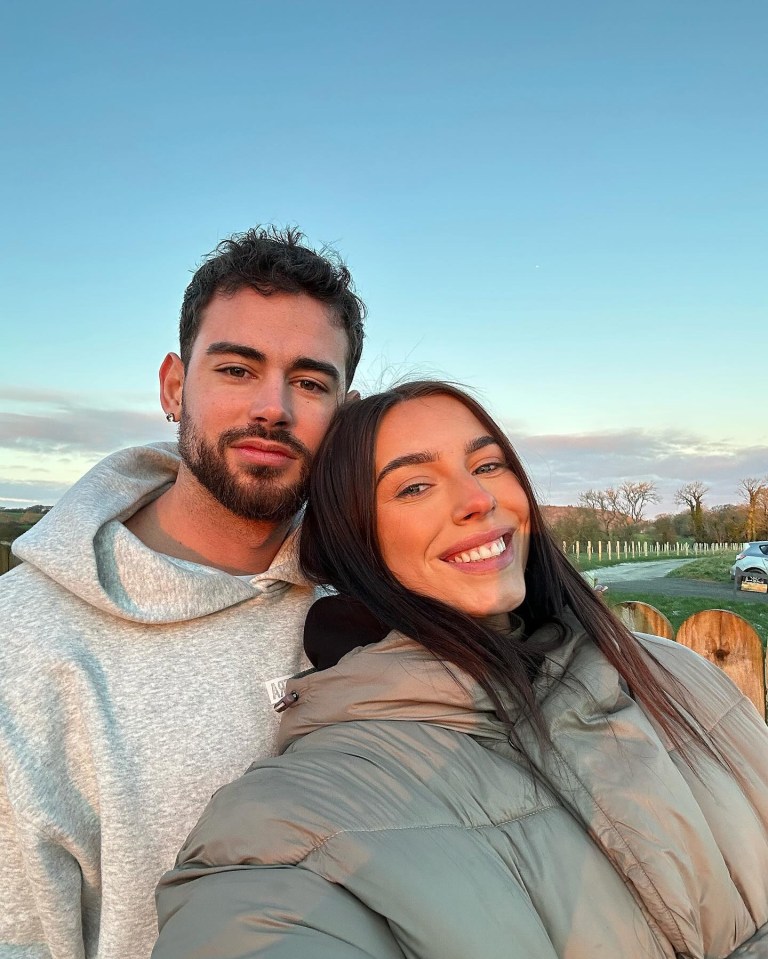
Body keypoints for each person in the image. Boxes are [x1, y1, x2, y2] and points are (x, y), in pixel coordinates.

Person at [153, 380, 768, 959]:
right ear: (354, 536)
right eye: (414, 487)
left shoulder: (679, 676)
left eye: (488, 465)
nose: (477, 500)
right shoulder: (297, 816)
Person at [0, 227, 365, 959]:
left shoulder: (382, 592)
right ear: (174, 386)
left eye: (311, 381)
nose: (274, 407)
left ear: (344, 412)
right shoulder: (25, 643)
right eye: (236, 369)